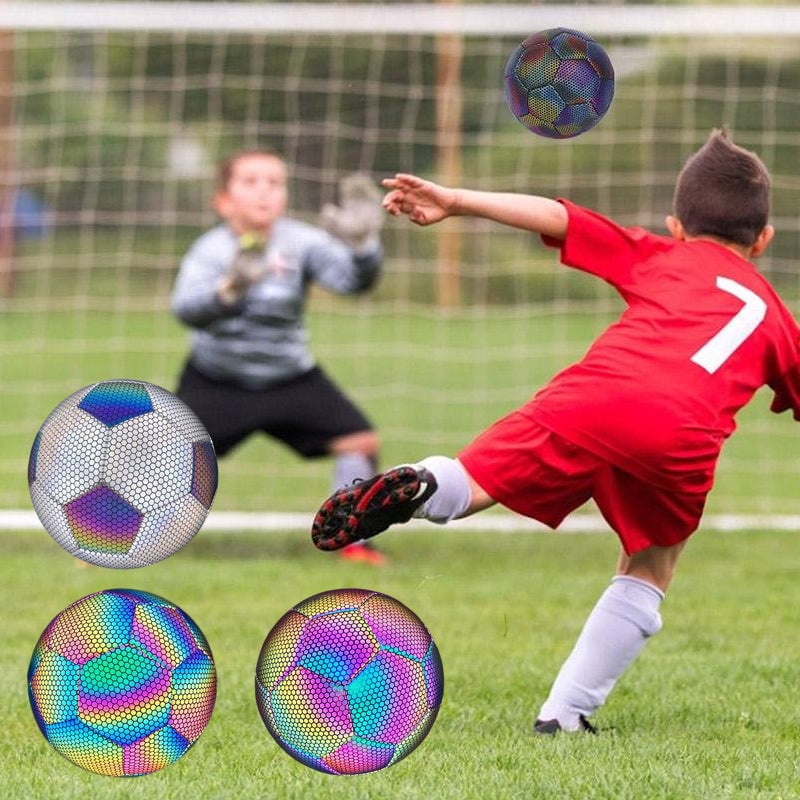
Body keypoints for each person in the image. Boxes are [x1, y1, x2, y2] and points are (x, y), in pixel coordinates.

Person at [311, 130, 800, 729]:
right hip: (682, 437)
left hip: (594, 396)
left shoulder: (661, 254)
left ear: (676, 226)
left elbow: (560, 217)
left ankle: (421, 486)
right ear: (764, 241)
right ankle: (564, 715)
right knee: (650, 564)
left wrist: (456, 200)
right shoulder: (776, 317)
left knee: (473, 481)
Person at [172, 148, 386, 565]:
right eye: (250, 182)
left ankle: (355, 542)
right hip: (217, 379)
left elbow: (353, 282)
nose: (264, 192)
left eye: (274, 183)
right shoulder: (209, 251)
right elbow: (184, 310)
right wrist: (227, 293)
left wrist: (363, 249)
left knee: (360, 440)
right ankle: (122, 542)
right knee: (165, 455)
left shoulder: (302, 241)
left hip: (291, 378)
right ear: (223, 199)